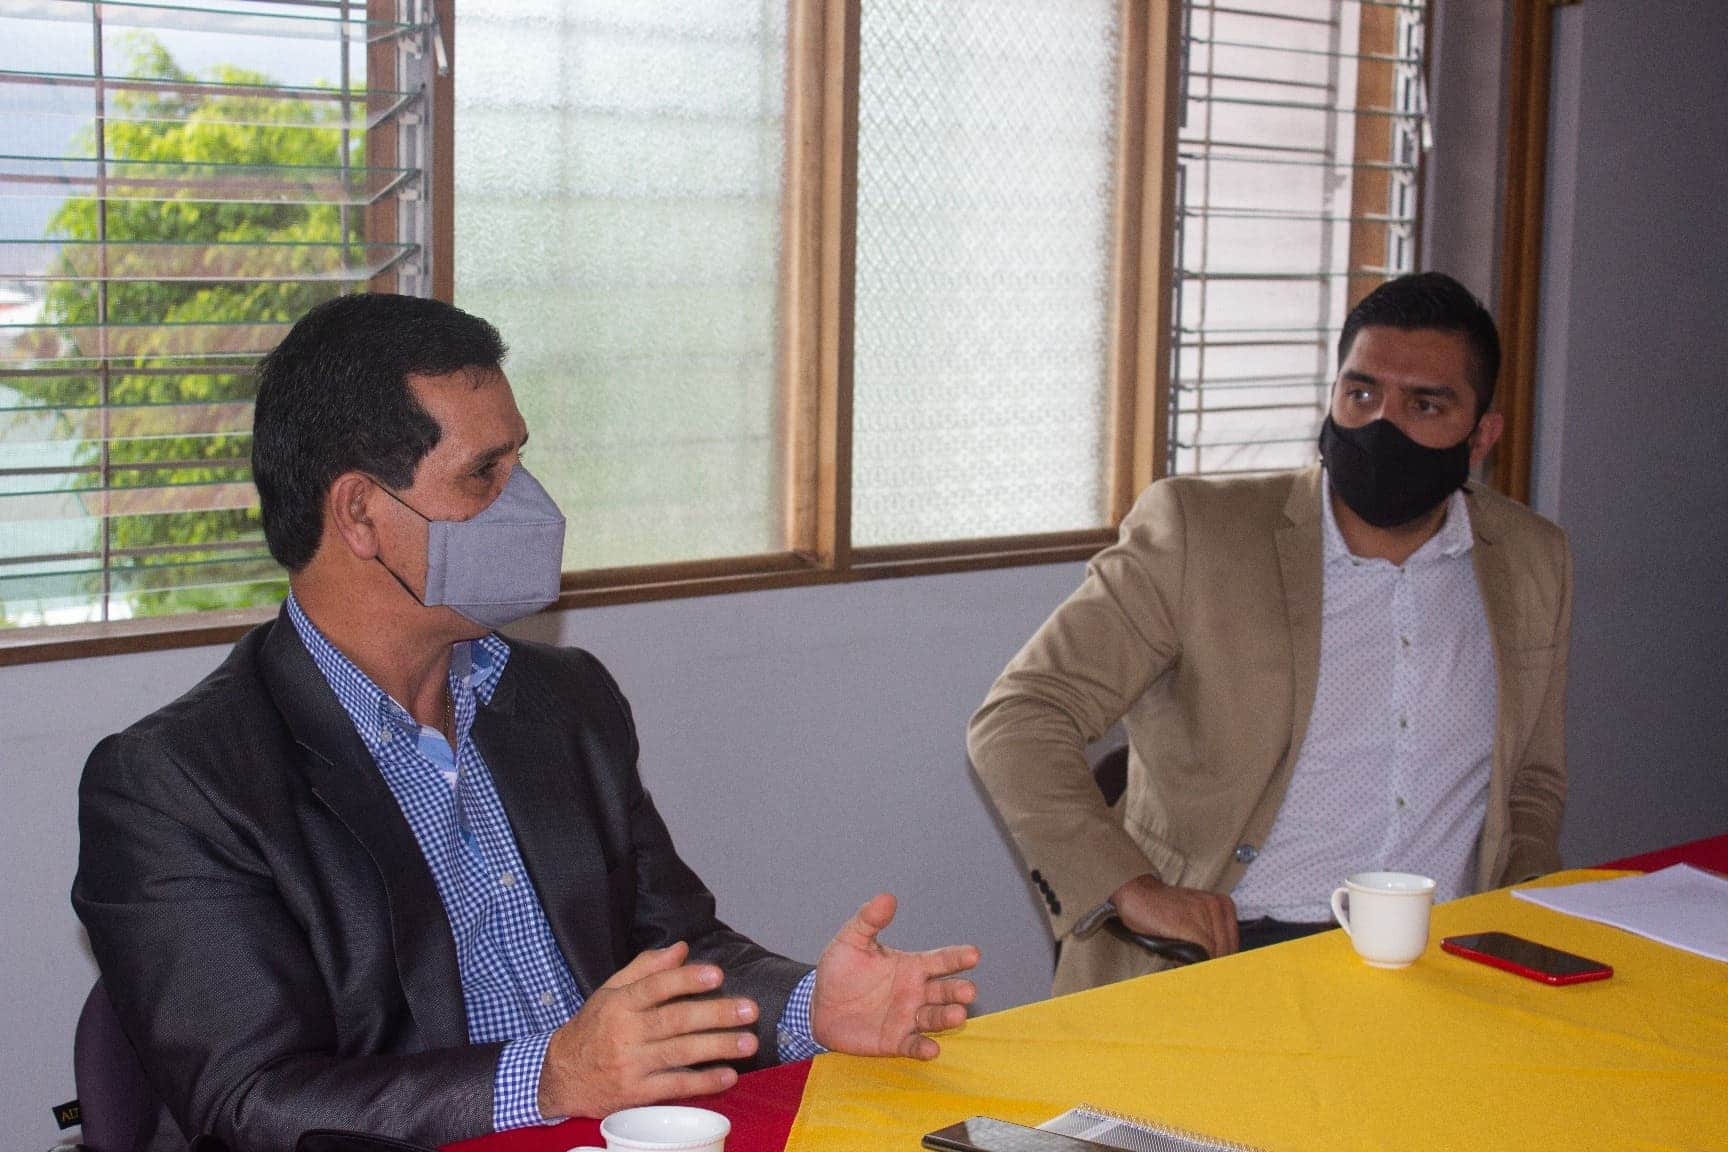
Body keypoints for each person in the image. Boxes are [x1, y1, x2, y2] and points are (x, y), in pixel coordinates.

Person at [73, 294, 979, 1152]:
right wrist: (549, 1078)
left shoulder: (565, 700)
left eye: (520, 462)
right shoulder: (176, 783)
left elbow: (678, 954)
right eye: (484, 474)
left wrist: (812, 1008)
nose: (532, 503)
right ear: (359, 513)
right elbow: (251, 1100)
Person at [968, 272, 1570, 996]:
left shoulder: (1532, 560)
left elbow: (1530, 779)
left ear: (1481, 437)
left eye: (1425, 405)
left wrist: (1526, 909)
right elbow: (1021, 716)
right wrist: (1129, 886)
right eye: (1361, 394)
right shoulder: (1200, 534)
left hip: (1444, 963)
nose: (1382, 424)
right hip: (1230, 957)